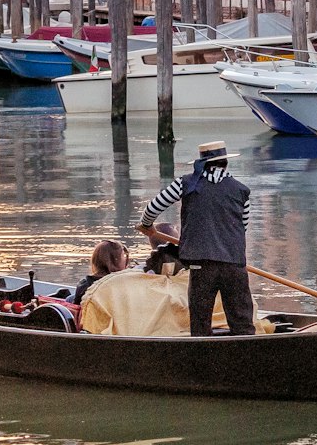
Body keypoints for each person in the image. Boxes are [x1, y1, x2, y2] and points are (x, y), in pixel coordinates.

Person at [138, 141, 254, 337]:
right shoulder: (242, 190)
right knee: (242, 323)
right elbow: (242, 228)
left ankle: (201, 363)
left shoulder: (185, 183)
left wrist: (147, 225)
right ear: (225, 163)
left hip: (201, 266)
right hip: (234, 265)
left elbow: (153, 207)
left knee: (200, 324)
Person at [72, 239, 129, 306]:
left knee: (69, 298)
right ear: (115, 261)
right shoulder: (124, 284)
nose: (125, 260)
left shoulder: (85, 285)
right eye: (123, 256)